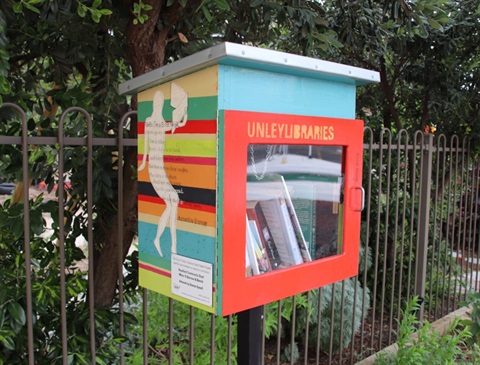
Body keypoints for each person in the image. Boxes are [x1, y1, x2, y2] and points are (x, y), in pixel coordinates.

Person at [138, 83, 188, 257]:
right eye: (157, 101)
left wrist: (183, 118)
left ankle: (165, 242)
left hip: (161, 167)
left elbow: (176, 126)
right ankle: (170, 245)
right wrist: (143, 163)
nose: (159, 103)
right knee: (173, 200)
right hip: (154, 168)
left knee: (172, 203)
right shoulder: (150, 122)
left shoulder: (161, 123)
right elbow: (145, 146)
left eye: (161, 101)